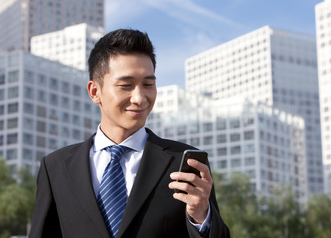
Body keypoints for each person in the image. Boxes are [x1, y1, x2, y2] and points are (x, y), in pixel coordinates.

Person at [29, 28, 230, 238]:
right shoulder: (56, 167)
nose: (140, 98)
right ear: (95, 92)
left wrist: (201, 217)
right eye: (126, 85)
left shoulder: (185, 164)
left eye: (148, 84)